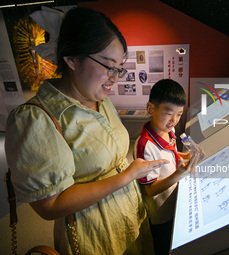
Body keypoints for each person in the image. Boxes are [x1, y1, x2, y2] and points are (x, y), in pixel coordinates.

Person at [5, 7, 169, 255]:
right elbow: (50, 206)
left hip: (130, 217)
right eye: (108, 66)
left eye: (119, 68)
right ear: (71, 59)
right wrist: (126, 176)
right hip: (95, 233)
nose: (115, 78)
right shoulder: (35, 118)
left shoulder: (100, 99)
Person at [135, 79, 199, 254]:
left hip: (175, 202)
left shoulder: (168, 131)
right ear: (150, 109)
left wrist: (186, 155)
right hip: (161, 214)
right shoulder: (145, 146)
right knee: (164, 247)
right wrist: (179, 174)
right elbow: (149, 190)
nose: (174, 120)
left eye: (179, 114)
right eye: (169, 113)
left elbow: (170, 154)